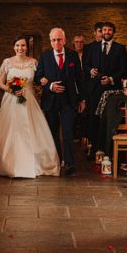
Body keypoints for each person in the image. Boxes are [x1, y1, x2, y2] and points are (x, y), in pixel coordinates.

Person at [0, 35, 60, 178]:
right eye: (18, 45)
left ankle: (33, 164)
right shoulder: (7, 62)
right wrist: (11, 89)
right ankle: (9, 164)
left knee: (32, 131)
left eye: (23, 45)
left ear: (27, 47)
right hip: (11, 100)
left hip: (29, 101)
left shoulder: (33, 63)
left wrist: (44, 81)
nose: (20, 48)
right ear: (14, 47)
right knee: (12, 131)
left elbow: (38, 80)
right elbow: (0, 83)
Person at [35, 28, 85, 176]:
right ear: (50, 41)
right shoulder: (44, 56)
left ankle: (69, 163)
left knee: (68, 132)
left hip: (69, 100)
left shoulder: (73, 55)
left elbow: (79, 78)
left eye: (59, 39)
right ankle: (57, 160)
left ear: (64, 40)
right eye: (53, 40)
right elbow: (38, 77)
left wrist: (82, 99)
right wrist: (50, 85)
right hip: (50, 100)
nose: (56, 42)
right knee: (53, 133)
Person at [84, 21, 127, 150]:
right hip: (94, 89)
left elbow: (124, 69)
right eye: (104, 30)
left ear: (113, 32)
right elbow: (85, 66)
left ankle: (108, 149)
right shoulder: (92, 48)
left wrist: (111, 79)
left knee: (109, 120)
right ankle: (94, 150)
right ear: (101, 32)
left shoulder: (120, 48)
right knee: (94, 120)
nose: (107, 32)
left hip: (112, 91)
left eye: (110, 30)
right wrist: (90, 70)